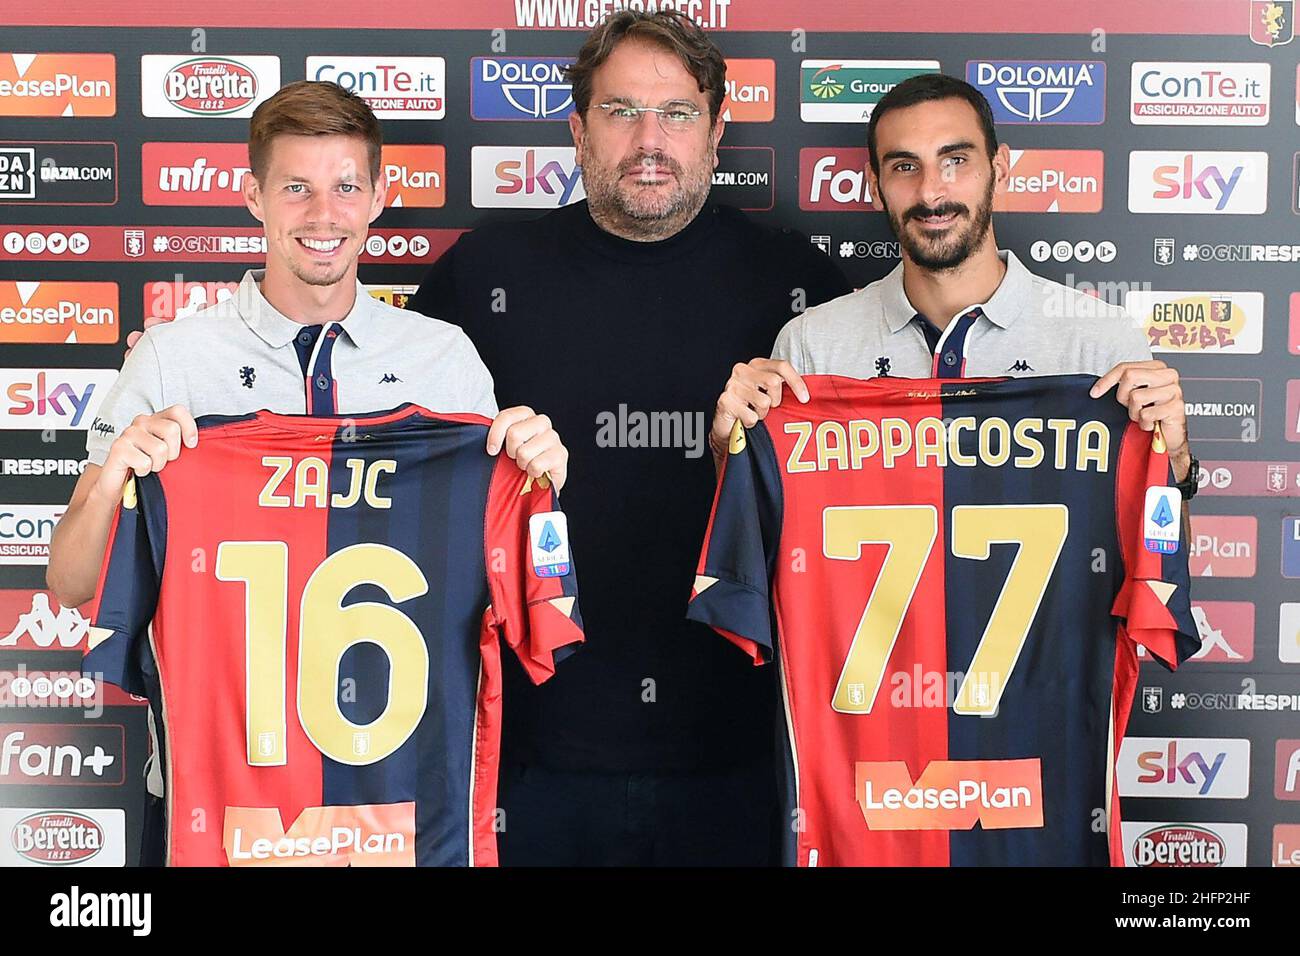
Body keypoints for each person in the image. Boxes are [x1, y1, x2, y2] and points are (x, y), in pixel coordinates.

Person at [46, 80, 570, 866]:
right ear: (255, 196)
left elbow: (532, 594)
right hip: (216, 811)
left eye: (345, 187)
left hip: (401, 811)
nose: (323, 215)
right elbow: (70, 583)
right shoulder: (173, 359)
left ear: (378, 198)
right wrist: (113, 471)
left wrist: (545, 495)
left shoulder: (442, 357)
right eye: (296, 188)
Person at [406, 10, 850, 865]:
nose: (651, 140)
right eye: (620, 112)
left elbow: (881, 495)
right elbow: (381, 465)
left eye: (678, 114)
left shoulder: (801, 284)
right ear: (577, 129)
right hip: (526, 753)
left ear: (718, 130)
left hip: (748, 752)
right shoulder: (484, 275)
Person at [711, 73, 1197, 501]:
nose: (930, 192)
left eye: (955, 161)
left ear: (999, 170)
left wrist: (1172, 459)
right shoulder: (811, 345)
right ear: (876, 186)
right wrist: (726, 450)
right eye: (905, 167)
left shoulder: (1100, 343)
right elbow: (765, 546)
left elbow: (1159, 565)